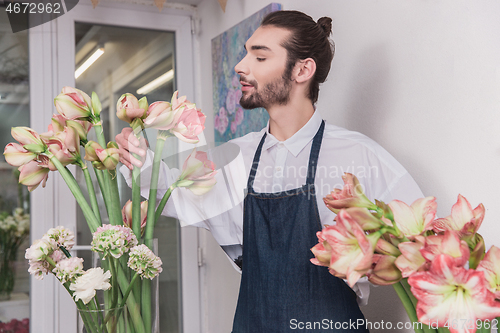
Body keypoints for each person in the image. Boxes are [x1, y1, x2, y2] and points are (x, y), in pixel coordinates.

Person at [116, 10, 423, 333]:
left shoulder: (361, 156)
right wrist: (139, 158)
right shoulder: (236, 158)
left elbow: (421, 245)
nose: (240, 66)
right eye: (246, 52)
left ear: (303, 69)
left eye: (259, 57)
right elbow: (171, 190)